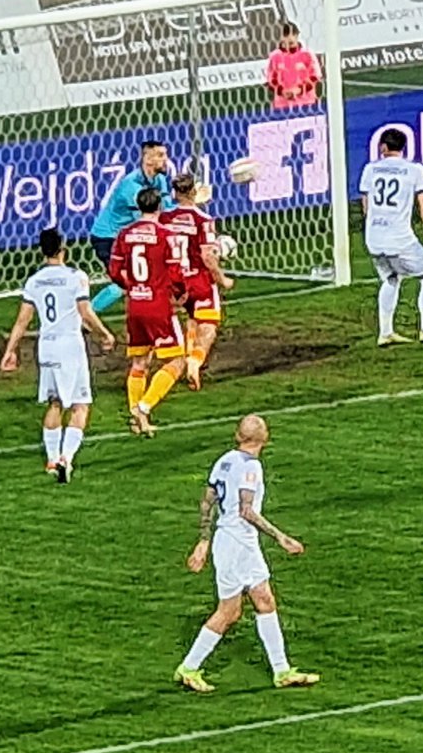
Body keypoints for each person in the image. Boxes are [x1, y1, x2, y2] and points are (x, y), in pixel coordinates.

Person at [176, 414, 319, 693]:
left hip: (232, 541)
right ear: (265, 438)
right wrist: (281, 537)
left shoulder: (224, 460)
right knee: (229, 612)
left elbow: (207, 501)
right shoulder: (251, 467)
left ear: (238, 436)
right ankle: (188, 668)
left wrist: (204, 540)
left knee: (264, 600)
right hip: (238, 543)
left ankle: (281, 671)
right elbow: (246, 510)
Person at [0, 229, 117, 484]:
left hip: (47, 346)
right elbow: (85, 312)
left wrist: (10, 350)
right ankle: (67, 458)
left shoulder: (34, 281)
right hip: (70, 345)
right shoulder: (76, 277)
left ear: (42, 251)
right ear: (64, 249)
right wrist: (104, 333)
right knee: (80, 404)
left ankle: (52, 460)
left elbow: (22, 321)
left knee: (54, 403)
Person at [108, 188, 188, 436]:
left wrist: (132, 287)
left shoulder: (124, 234)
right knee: (177, 361)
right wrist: (180, 293)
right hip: (158, 307)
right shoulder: (166, 236)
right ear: (160, 207)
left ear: (139, 206)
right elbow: (175, 274)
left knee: (139, 362)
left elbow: (114, 271)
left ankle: (135, 416)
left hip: (135, 306)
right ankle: (144, 407)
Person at [358, 129, 423, 348]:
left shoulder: (369, 169)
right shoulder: (415, 170)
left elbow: (366, 207)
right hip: (399, 239)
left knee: (390, 279)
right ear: (403, 147)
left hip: (373, 239)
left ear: (383, 147)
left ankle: (385, 333)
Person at [161, 174, 234, 389]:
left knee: (189, 318)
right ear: (193, 191)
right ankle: (195, 360)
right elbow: (208, 257)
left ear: (174, 193)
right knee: (208, 324)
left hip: (173, 280)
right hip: (198, 281)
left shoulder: (164, 218)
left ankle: (184, 355)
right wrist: (222, 278)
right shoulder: (203, 220)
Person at [89, 140, 175, 315]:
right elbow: (145, 221)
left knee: (141, 278)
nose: (166, 159)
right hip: (108, 237)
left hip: (127, 236)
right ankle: (85, 315)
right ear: (147, 159)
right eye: (160, 155)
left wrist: (187, 205)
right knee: (123, 283)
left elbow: (167, 209)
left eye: (165, 154)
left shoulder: (159, 179)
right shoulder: (131, 186)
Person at [267, 23, 321, 111]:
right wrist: (282, 91)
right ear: (281, 37)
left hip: (306, 104)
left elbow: (315, 77)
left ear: (297, 35)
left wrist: (299, 90)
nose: (290, 38)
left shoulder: (307, 54)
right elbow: (271, 81)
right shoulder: (275, 57)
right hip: (282, 106)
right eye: (286, 35)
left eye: (293, 34)